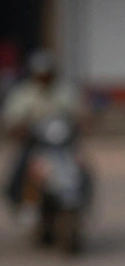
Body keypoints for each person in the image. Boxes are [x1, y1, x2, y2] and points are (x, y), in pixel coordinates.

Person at [4, 51, 86, 223]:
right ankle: (24, 203)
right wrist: (17, 128)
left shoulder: (65, 90)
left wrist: (84, 121)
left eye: (48, 75)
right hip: (36, 142)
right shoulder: (24, 93)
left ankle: (85, 202)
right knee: (22, 166)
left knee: (83, 168)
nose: (45, 78)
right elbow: (12, 117)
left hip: (62, 142)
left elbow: (80, 111)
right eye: (41, 75)